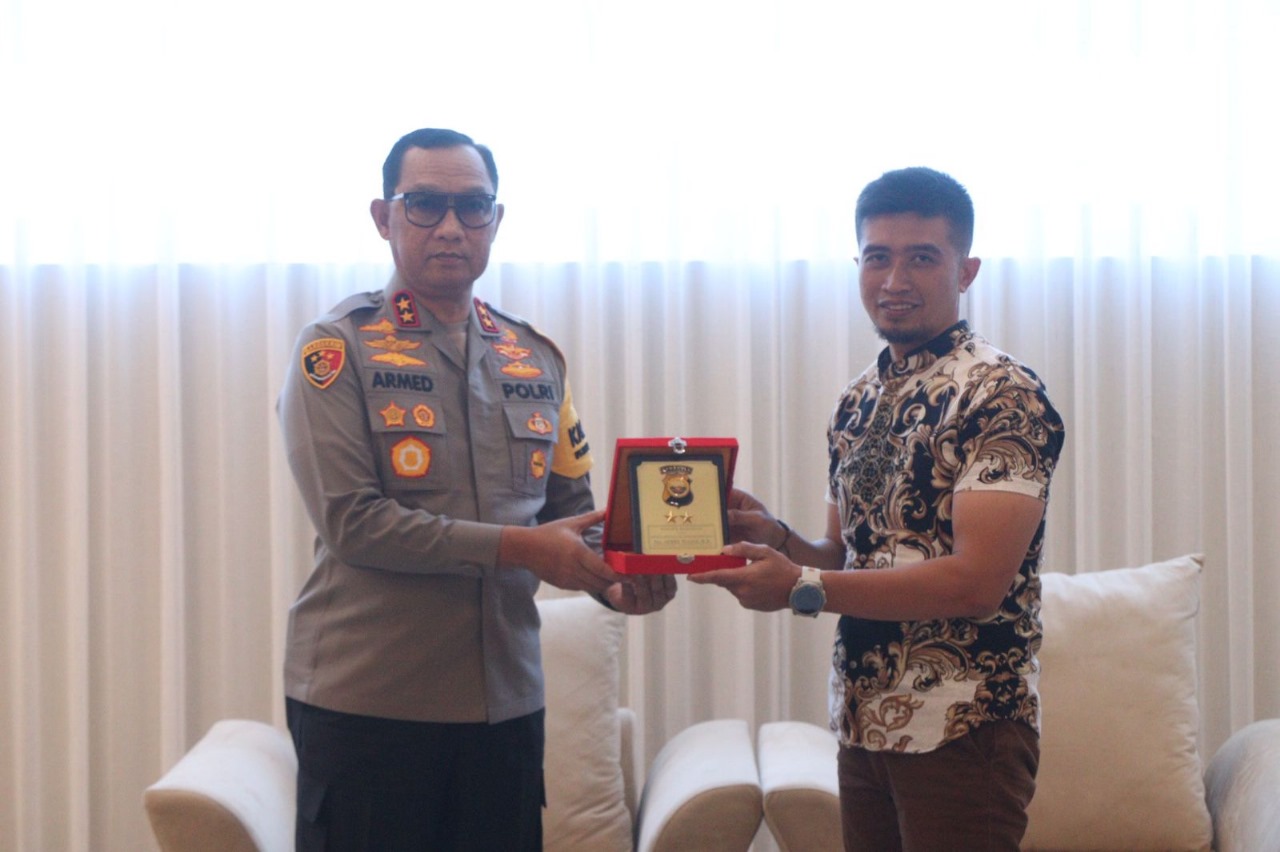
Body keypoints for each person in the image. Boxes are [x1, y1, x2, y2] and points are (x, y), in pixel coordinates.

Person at [277, 127, 676, 851]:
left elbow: (572, 515)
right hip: (369, 707)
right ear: (384, 217)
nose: (451, 227)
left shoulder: (535, 359)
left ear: (496, 219)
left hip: (505, 709)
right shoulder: (337, 348)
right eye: (425, 204)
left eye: (473, 206)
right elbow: (353, 523)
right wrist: (521, 548)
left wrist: (621, 578)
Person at [691, 167, 1066, 851]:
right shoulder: (857, 400)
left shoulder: (1002, 395)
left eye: (922, 257)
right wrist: (776, 536)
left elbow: (976, 584)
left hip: (964, 724)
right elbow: (844, 555)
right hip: (863, 722)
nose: (894, 279)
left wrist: (801, 587)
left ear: (966, 270)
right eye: (877, 257)